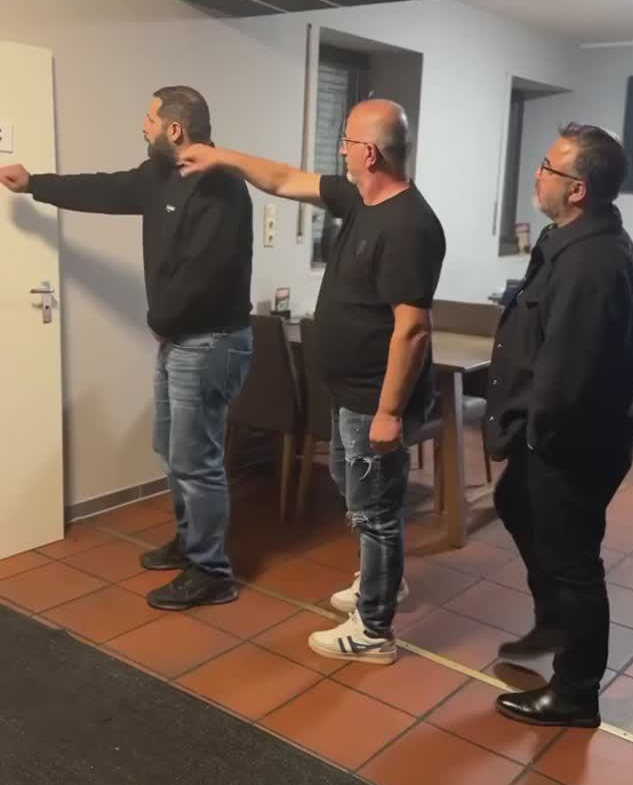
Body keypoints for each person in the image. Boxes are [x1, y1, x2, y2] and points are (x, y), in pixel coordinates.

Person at [180, 98, 446, 665]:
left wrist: (389, 413)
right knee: (358, 497)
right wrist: (220, 158)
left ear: (370, 153)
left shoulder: (409, 226)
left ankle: (373, 630)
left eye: (346, 140)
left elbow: (413, 330)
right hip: (348, 393)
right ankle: (382, 577)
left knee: (376, 510)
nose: (340, 149)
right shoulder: (359, 199)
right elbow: (283, 178)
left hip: (375, 399)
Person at [0, 86, 253, 612]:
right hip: (180, 337)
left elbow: (206, 274)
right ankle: (190, 541)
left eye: (149, 118)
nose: (143, 126)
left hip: (210, 342)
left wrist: (160, 321)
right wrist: (34, 184)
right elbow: (105, 189)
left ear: (175, 129)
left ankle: (212, 572)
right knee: (170, 448)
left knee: (197, 459)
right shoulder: (158, 174)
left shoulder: (221, 186)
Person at [487, 123, 633, 728]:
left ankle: (576, 693)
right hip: (554, 436)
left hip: (570, 442)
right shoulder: (567, 238)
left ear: (577, 189)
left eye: (548, 167)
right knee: (514, 501)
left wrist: (537, 434)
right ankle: (553, 619)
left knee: (575, 560)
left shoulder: (593, 262)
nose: (537, 174)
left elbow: (569, 374)